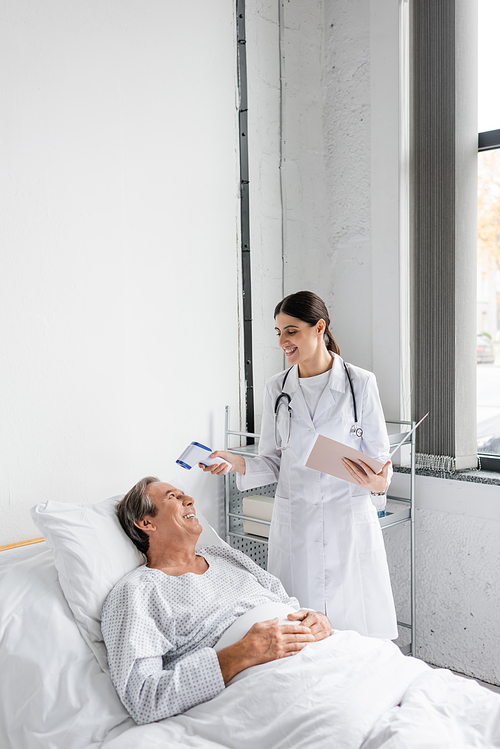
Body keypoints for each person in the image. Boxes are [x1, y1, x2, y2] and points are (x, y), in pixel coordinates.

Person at [201, 290, 398, 640]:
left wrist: (379, 484)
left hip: (346, 522)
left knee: (356, 632)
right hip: (298, 525)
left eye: (291, 331)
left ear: (318, 327)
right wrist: (236, 463)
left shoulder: (360, 383)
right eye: (278, 333)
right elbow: (273, 462)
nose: (283, 342)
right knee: (300, 631)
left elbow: (380, 462)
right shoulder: (277, 388)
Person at [101, 477, 332, 725]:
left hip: (323, 653)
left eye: (184, 494)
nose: (189, 500)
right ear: (146, 523)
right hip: (271, 681)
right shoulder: (137, 591)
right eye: (173, 497)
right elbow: (145, 699)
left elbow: (286, 602)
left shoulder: (223, 555)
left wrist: (315, 618)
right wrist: (243, 653)